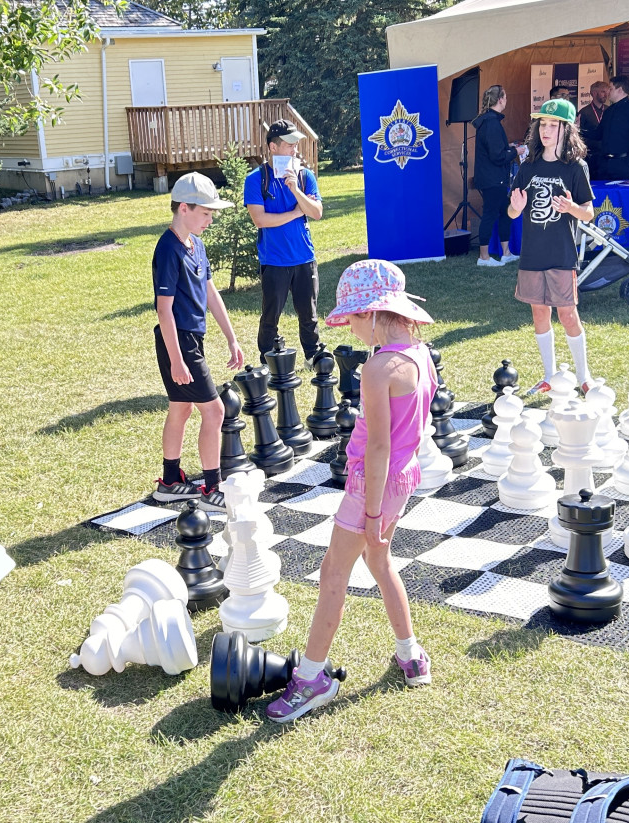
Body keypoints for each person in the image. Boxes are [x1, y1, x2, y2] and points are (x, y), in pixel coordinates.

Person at [264, 259, 437, 723]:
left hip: (373, 485)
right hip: (404, 477)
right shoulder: (420, 355)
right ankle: (410, 654)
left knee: (333, 573)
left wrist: (374, 512)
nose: (353, 328)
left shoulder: (379, 368)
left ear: (376, 314)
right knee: (378, 560)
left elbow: (378, 446)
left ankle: (312, 679)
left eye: (355, 318)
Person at [153, 172, 245, 511]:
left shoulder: (197, 244)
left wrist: (231, 337)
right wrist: (177, 359)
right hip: (178, 341)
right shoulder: (168, 249)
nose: (210, 219)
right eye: (205, 213)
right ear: (183, 208)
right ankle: (210, 489)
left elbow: (209, 291)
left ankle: (170, 481)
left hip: (193, 339)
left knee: (181, 408)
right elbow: (164, 310)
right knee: (215, 410)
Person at [507, 99, 596, 394]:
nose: (546, 130)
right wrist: (515, 208)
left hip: (561, 253)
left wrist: (571, 207)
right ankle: (549, 374)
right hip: (533, 253)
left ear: (566, 129)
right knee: (539, 313)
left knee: (568, 314)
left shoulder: (576, 167)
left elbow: (588, 212)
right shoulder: (528, 165)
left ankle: (584, 377)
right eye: (542, 124)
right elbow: (512, 211)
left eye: (553, 125)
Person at [244, 119, 323, 366]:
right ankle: (267, 359)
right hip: (274, 259)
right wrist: (296, 212)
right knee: (271, 316)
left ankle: (313, 355)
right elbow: (260, 219)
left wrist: (296, 192)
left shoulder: (304, 176)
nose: (294, 150)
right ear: (273, 147)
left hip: (304, 258)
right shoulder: (256, 179)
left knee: (308, 315)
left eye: (296, 144)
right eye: (289, 144)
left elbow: (317, 212)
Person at [472, 84, 519, 267]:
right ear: (500, 100)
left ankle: (506, 253)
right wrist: (515, 151)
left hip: (494, 177)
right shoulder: (491, 123)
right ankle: (483, 257)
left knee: (505, 213)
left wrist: (511, 149)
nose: (506, 101)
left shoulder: (490, 121)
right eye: (505, 97)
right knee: (490, 214)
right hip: (492, 178)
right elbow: (497, 155)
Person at [597, 75, 629, 181]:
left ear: (620, 90)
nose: (608, 92)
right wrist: (577, 129)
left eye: (610, 88)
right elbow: (598, 134)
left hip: (622, 162)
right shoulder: (609, 111)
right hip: (604, 163)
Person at [577, 81, 610, 175]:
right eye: (603, 92)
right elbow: (579, 134)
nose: (606, 95)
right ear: (594, 93)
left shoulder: (609, 110)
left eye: (607, 92)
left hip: (606, 155)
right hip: (590, 155)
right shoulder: (584, 112)